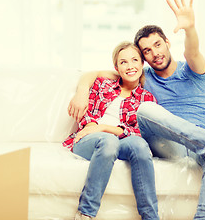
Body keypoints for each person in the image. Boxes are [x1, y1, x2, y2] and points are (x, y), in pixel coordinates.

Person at [68, 0, 205, 220]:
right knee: (145, 110)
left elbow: (193, 51)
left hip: (202, 141)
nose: (155, 53)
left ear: (168, 43)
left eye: (158, 45)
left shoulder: (193, 70)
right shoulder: (142, 75)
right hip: (169, 144)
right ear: (144, 58)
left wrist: (190, 29)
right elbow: (101, 73)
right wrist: (82, 91)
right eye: (147, 51)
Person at [64, 41, 160, 220]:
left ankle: (151, 217)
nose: (130, 66)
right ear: (116, 67)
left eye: (134, 60)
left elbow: (138, 132)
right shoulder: (103, 85)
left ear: (142, 64)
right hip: (90, 139)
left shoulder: (147, 99)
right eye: (123, 62)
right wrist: (95, 127)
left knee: (139, 145)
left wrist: (106, 128)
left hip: (120, 141)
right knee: (108, 141)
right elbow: (87, 115)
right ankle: (85, 213)